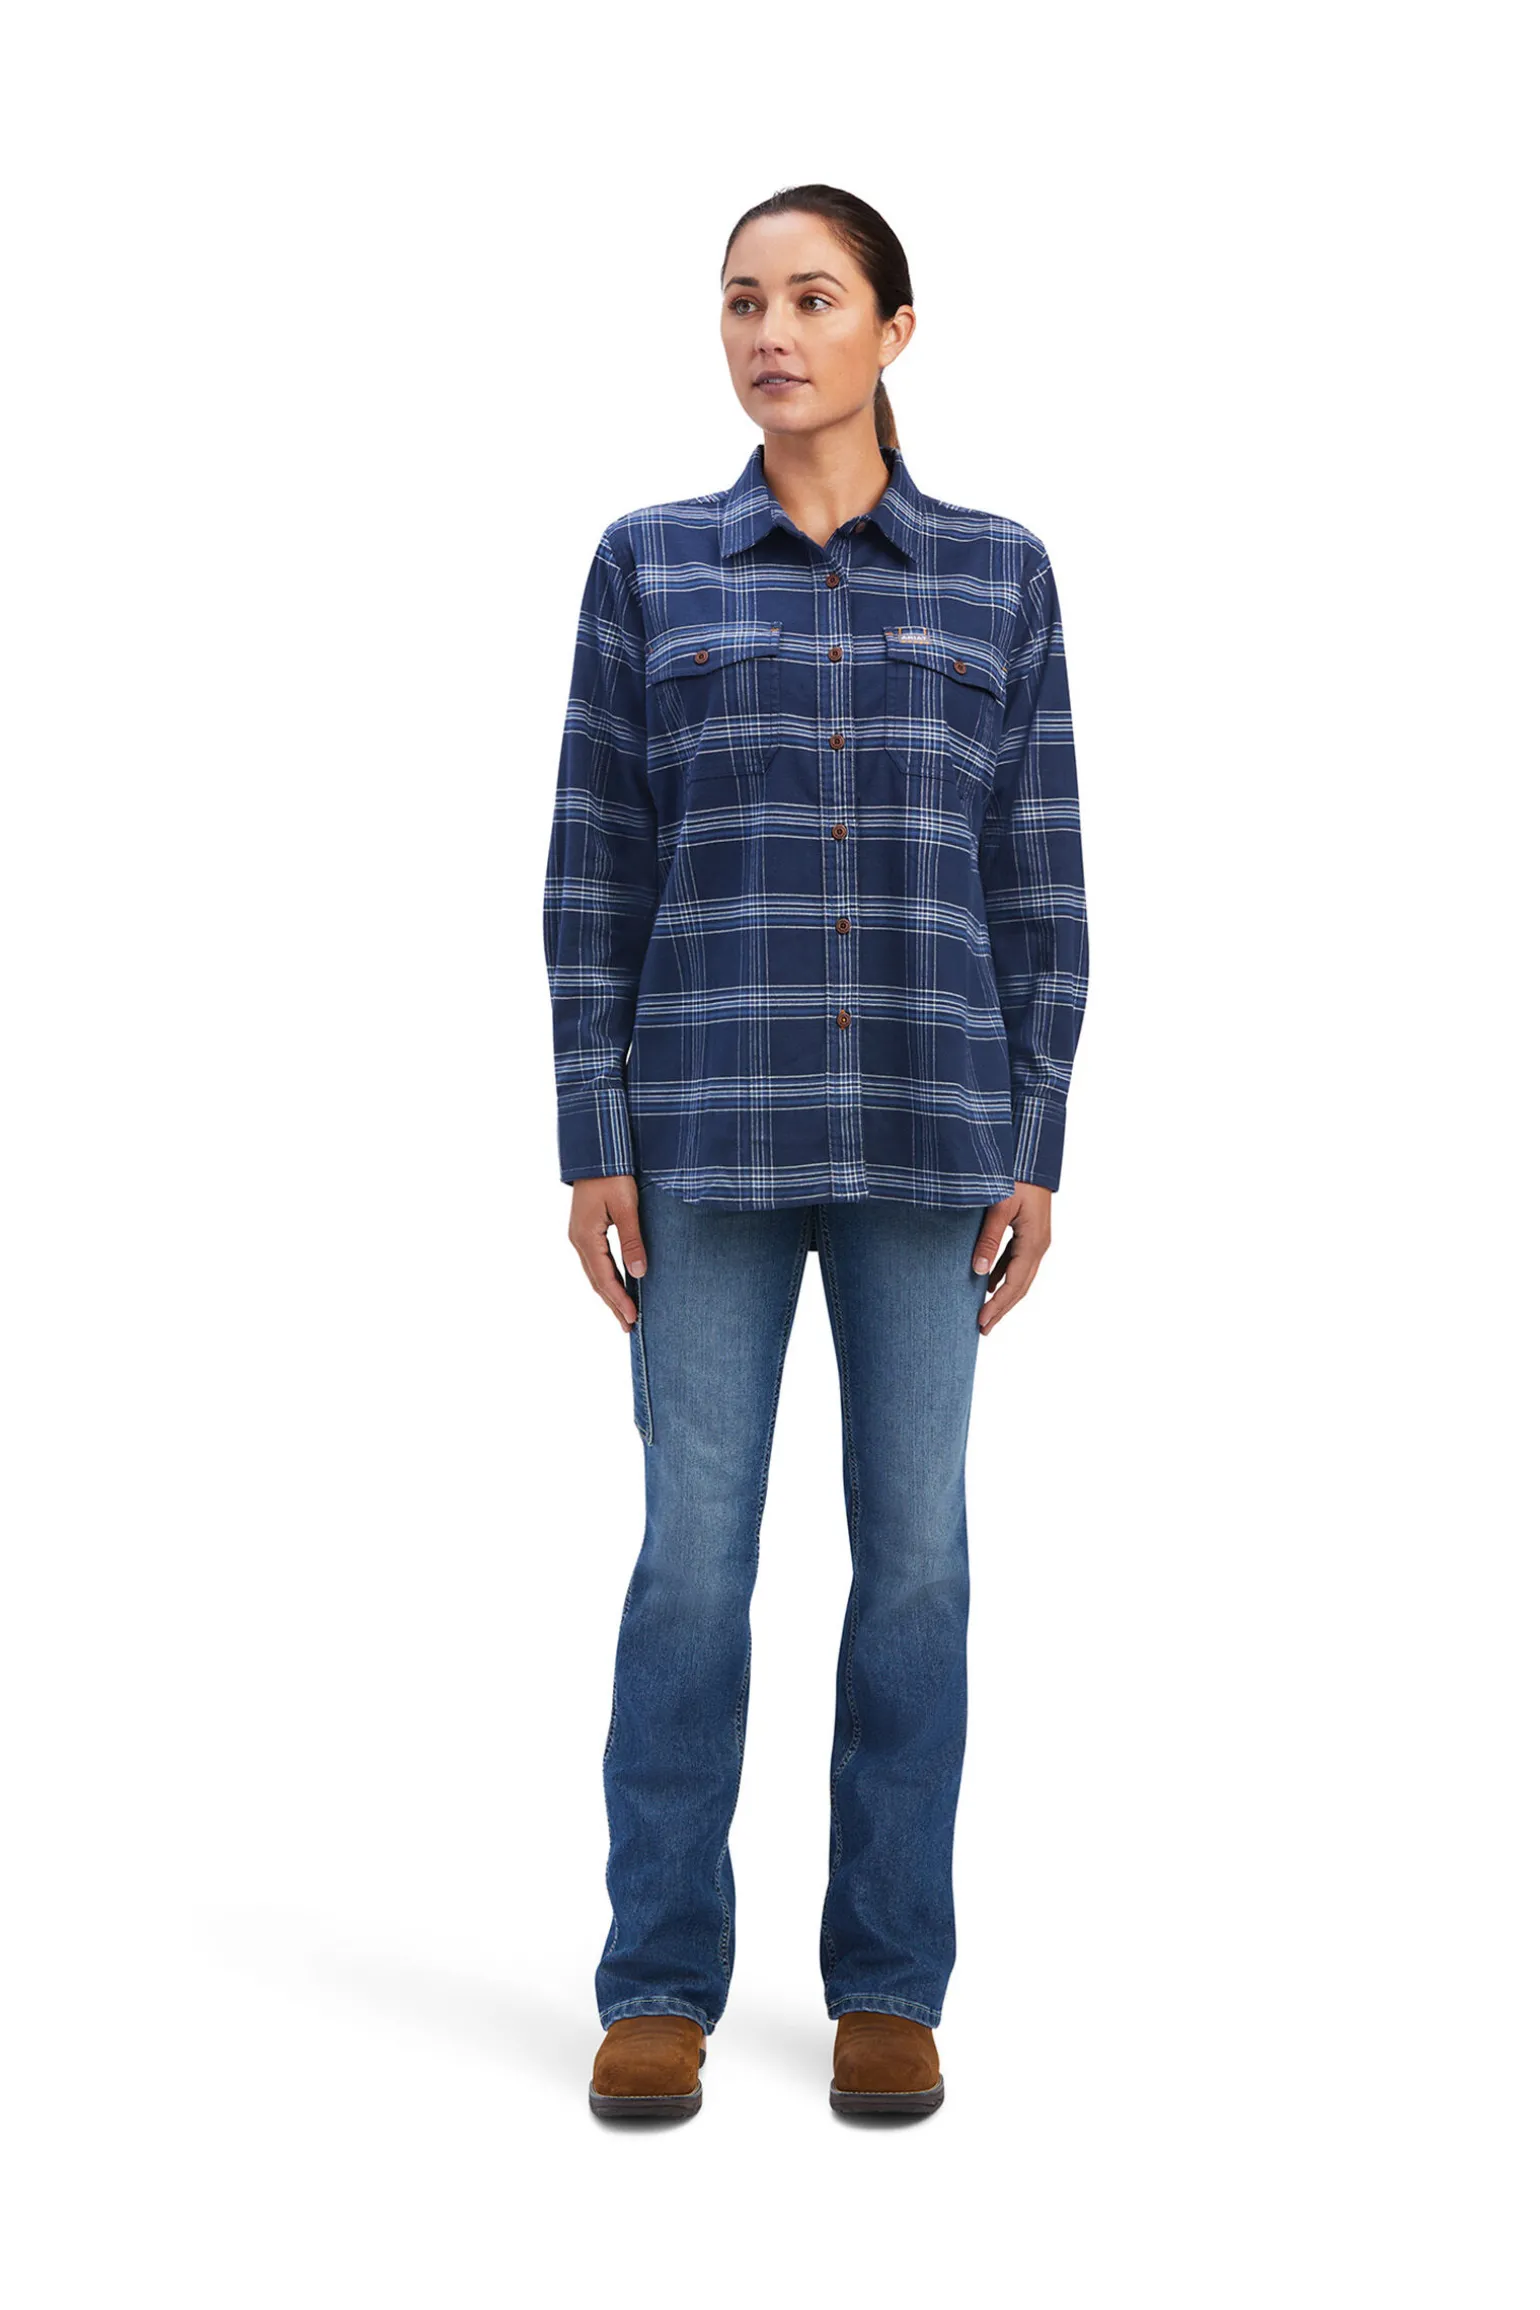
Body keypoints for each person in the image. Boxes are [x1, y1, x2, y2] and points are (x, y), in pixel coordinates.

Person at [542, 183, 1089, 2121]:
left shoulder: (1000, 576)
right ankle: (656, 1980)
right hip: (701, 1132)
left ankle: (887, 1982)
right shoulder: (647, 567)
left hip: (930, 1132)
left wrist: (1037, 1138)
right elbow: (594, 864)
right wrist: (589, 1135)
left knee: (917, 1561)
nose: (770, 332)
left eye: (812, 298)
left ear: (894, 330)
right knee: (691, 1563)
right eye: (740, 303)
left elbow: (1037, 879)